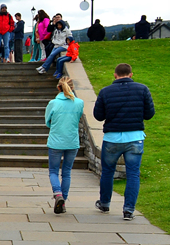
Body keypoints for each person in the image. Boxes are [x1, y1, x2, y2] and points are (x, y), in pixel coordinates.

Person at [93, 63, 155, 220]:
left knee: (108, 171)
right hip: (134, 137)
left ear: (115, 75)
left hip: (112, 138)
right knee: (133, 174)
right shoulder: (142, 89)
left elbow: (98, 116)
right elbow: (149, 114)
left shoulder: (105, 91)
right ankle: (128, 210)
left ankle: (105, 203)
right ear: (131, 74)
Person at [44, 76, 84, 214]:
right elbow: (78, 118)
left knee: (53, 171)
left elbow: (47, 121)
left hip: (56, 141)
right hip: (72, 141)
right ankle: (63, 202)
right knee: (66, 172)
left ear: (58, 87)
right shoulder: (79, 103)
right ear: (72, 87)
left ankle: (58, 194)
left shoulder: (53, 103)